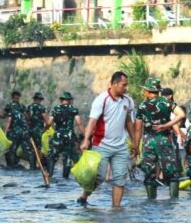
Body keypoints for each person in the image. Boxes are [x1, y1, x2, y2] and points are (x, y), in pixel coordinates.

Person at [80, 71, 138, 208]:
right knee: (99, 177)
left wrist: (134, 141)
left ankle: (116, 210)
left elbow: (129, 121)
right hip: (102, 145)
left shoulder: (128, 101)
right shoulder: (102, 99)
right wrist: (86, 139)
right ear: (114, 83)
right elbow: (92, 121)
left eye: (127, 85)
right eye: (124, 85)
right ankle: (84, 196)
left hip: (121, 146)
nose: (126, 88)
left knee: (120, 180)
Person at [135, 77, 181, 200]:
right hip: (164, 139)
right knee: (171, 173)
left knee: (150, 173)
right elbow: (181, 114)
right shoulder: (166, 102)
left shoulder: (142, 106)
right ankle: (174, 201)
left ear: (147, 91)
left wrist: (135, 146)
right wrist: (166, 125)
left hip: (148, 141)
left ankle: (151, 202)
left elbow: (138, 129)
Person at [50, 92, 83, 178]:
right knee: (67, 157)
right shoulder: (73, 109)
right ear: (69, 100)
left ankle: (49, 176)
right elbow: (79, 122)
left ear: (61, 100)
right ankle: (65, 178)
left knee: (53, 156)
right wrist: (85, 134)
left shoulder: (56, 109)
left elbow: (49, 122)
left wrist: (48, 129)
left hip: (58, 136)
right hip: (69, 136)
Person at [2, 91, 30, 168]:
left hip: (13, 131)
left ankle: (11, 165)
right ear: (18, 98)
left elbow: (8, 119)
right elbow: (27, 117)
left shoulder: (9, 106)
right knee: (18, 148)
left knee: (11, 149)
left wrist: (4, 132)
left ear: (12, 97)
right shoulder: (22, 106)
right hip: (23, 131)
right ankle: (16, 164)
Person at [26, 93, 49, 169]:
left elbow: (26, 118)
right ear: (40, 99)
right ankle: (40, 165)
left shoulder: (29, 107)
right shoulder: (41, 108)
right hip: (39, 130)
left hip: (30, 130)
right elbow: (46, 120)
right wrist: (46, 129)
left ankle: (32, 166)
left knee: (32, 149)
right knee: (39, 148)